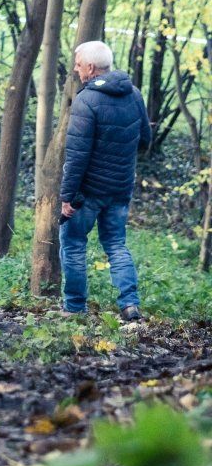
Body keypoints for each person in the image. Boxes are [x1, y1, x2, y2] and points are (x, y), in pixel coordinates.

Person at [60, 41, 151, 321]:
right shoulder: (134, 94)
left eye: (78, 65)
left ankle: (74, 308)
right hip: (120, 189)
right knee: (116, 244)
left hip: (88, 192)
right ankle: (130, 305)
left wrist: (67, 196)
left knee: (73, 242)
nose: (76, 70)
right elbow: (145, 141)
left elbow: (76, 156)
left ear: (90, 67)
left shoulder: (86, 100)